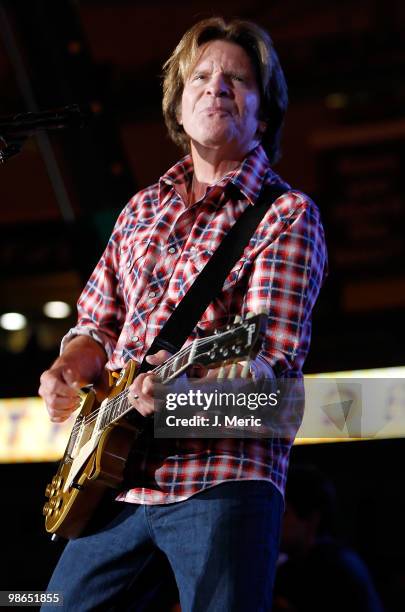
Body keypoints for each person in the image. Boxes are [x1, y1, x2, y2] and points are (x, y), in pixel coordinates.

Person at [39, 16, 327, 612]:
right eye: (200, 76)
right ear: (177, 104)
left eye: (236, 80)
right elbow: (96, 323)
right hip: (118, 482)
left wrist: (179, 397)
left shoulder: (287, 216)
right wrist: (70, 365)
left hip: (222, 477)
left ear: (264, 112)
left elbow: (267, 381)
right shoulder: (141, 209)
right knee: (42, 604)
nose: (215, 87)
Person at [272, 465, 384, 611]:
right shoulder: (292, 567)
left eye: (283, 513)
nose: (274, 521)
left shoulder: (333, 570)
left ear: (312, 519)